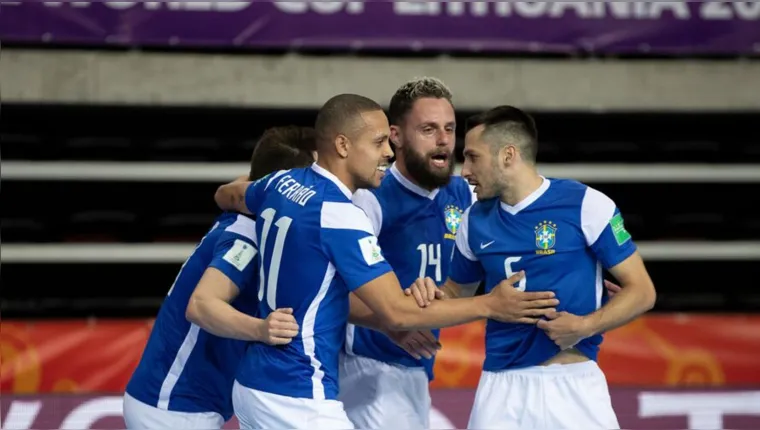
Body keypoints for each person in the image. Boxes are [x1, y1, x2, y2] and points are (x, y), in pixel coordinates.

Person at [213, 94, 557, 429]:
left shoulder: (281, 182)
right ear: (344, 145)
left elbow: (234, 194)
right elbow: (397, 312)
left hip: (259, 380)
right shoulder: (346, 212)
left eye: (450, 128)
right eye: (379, 142)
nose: (388, 153)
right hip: (309, 383)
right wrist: (491, 305)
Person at [340, 77, 557, 429]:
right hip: (366, 364)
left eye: (449, 129)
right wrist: (390, 321)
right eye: (428, 129)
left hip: (415, 365)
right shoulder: (370, 198)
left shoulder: (465, 194)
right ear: (395, 136)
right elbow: (333, 289)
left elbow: (522, 235)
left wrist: (584, 275)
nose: (443, 141)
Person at [441, 106, 657, 429]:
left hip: (576, 385)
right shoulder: (473, 221)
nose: (464, 172)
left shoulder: (586, 203)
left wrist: (586, 325)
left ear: (508, 155)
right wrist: (423, 295)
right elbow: (455, 294)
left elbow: (643, 291)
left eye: (473, 157)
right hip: (502, 389)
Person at [123, 126, 316, 429]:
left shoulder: (253, 211)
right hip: (175, 409)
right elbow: (200, 305)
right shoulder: (247, 237)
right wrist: (262, 329)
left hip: (180, 404)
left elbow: (240, 184)